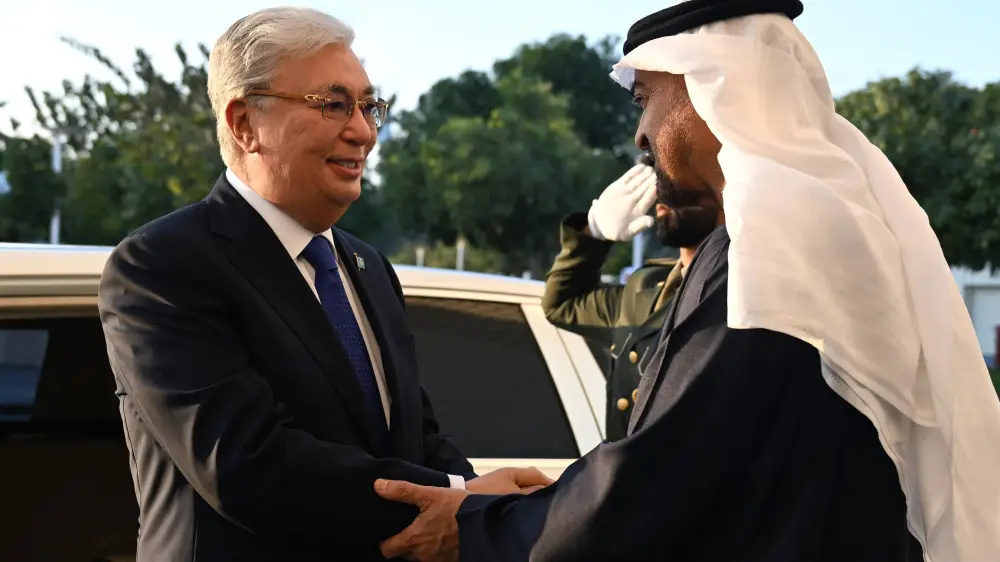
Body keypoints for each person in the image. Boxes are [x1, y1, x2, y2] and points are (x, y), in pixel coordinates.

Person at [371, 1, 1000, 561]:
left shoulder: (772, 243)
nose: (641, 135)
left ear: (712, 89)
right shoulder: (816, 223)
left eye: (646, 99)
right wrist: (552, 500)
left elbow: (664, 479)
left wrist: (481, 528)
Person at [97, 8, 550, 561]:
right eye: (333, 105)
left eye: (369, 106)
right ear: (244, 123)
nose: (363, 131)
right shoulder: (163, 264)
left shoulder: (369, 267)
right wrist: (462, 497)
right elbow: (246, 464)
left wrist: (478, 504)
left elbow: (417, 437)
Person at [543, 153, 721, 441]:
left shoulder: (740, 293)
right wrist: (594, 232)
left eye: (679, 183)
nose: (662, 195)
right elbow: (562, 304)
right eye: (660, 182)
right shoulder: (644, 285)